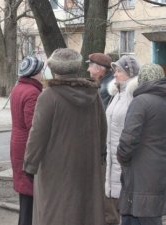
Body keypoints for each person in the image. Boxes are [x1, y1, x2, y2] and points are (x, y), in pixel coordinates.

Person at [23, 48, 107, 225]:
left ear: (54, 69)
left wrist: (30, 165)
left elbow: (37, 135)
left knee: (55, 211)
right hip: (87, 165)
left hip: (56, 168)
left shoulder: (48, 96)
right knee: (84, 211)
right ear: (77, 69)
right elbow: (102, 128)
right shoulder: (93, 94)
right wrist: (100, 156)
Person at [117, 64, 166, 225]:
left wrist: (123, 158)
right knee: (147, 213)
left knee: (145, 215)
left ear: (141, 80)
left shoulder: (140, 102)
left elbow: (128, 139)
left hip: (142, 170)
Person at [105, 55, 140, 225]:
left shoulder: (133, 96)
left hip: (124, 159)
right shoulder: (116, 94)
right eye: (115, 70)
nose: (115, 74)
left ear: (130, 73)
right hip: (112, 159)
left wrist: (123, 154)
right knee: (114, 207)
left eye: (119, 70)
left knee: (125, 207)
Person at [10, 56, 44, 225]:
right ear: (35, 73)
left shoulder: (18, 88)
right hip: (27, 145)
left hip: (17, 142)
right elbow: (33, 125)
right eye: (41, 71)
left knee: (25, 190)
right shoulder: (33, 92)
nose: (43, 74)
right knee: (30, 190)